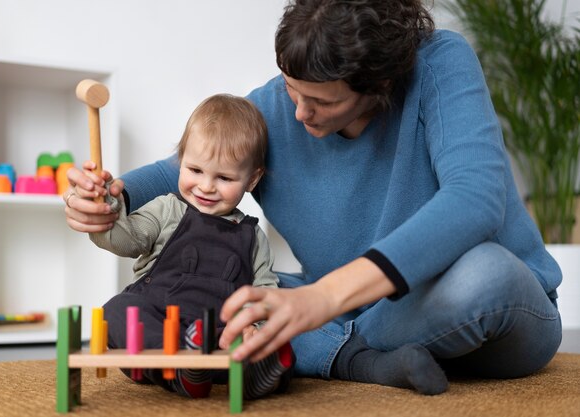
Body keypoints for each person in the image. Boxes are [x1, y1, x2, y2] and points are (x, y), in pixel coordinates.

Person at [64, 0, 562, 394]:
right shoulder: (280, 106)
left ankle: (317, 351)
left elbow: (474, 199)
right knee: (210, 277)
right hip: (345, 308)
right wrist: (112, 196)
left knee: (485, 274)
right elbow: (187, 170)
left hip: (476, 305)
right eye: (290, 89)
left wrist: (318, 301)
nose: (299, 113)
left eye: (322, 101)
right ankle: (360, 360)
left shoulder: (440, 63)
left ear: (380, 84)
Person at [84, 94, 294, 399]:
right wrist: (107, 209)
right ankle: (184, 368)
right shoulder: (166, 210)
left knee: (274, 338)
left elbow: (263, 291)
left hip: (215, 335)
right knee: (115, 313)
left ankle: (256, 371)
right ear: (181, 161)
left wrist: (257, 327)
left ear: (252, 179)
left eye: (223, 177)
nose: (206, 186)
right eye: (195, 170)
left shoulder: (252, 236)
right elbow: (121, 238)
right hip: (156, 323)